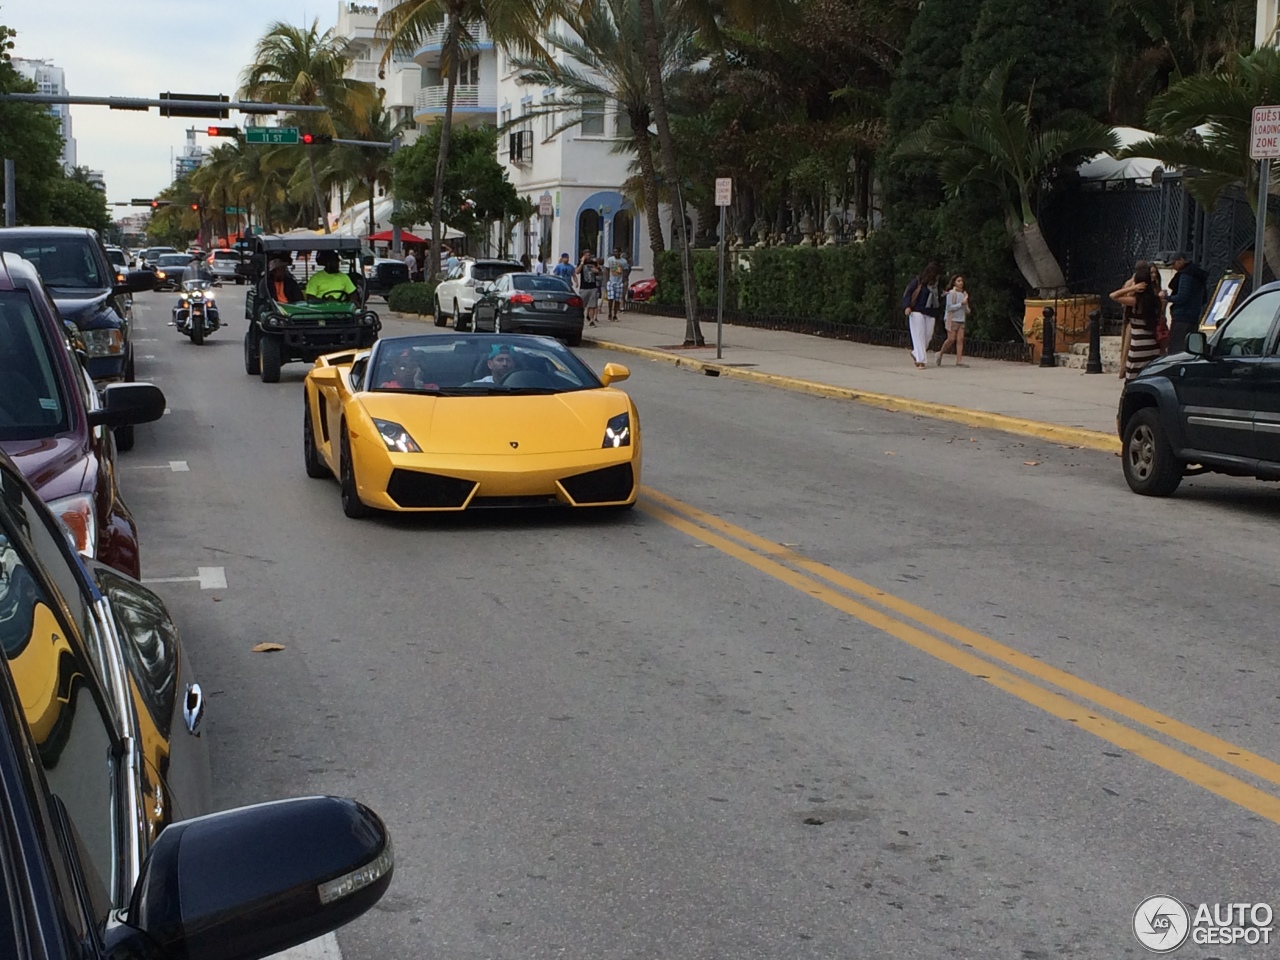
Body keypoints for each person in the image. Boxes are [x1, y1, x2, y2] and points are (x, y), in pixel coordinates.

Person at [1111, 260, 1162, 380]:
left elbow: (1113, 296)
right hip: (1153, 343)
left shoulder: (1136, 301)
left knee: (1133, 377)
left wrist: (1133, 288)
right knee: (1149, 376)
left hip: (1138, 344)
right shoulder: (1156, 300)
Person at [902, 262, 942, 369]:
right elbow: (908, 293)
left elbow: (938, 298)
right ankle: (921, 361)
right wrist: (907, 306)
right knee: (919, 335)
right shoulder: (917, 281)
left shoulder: (936, 285)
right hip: (916, 311)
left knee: (927, 336)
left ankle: (916, 353)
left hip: (930, 312)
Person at [1167, 252, 1209, 354]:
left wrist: (1167, 297)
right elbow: (1204, 298)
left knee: (1177, 349)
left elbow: (1182, 297)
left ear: (1181, 260)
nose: (1173, 267)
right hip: (1193, 316)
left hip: (1182, 317)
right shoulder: (1197, 274)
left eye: (1174, 264)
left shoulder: (1186, 275)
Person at [936, 274, 970, 366]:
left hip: (961, 319)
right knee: (951, 339)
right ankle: (940, 353)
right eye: (958, 281)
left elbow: (965, 307)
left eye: (962, 281)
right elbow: (949, 307)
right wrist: (961, 304)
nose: (961, 283)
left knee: (960, 339)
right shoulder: (951, 293)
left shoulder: (964, 294)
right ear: (954, 282)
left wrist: (967, 307)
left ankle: (959, 360)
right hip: (952, 319)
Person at [576, 250, 602, 326]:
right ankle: (581, 318)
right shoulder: (581, 263)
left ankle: (591, 320)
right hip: (584, 288)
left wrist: (596, 271)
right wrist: (582, 263)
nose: (588, 257)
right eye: (586, 255)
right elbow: (577, 271)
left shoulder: (594, 263)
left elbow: (600, 272)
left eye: (589, 255)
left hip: (593, 287)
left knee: (592, 305)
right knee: (582, 305)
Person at [604, 246, 629, 321]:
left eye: (616, 252)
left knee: (617, 299)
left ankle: (615, 314)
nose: (615, 253)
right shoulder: (610, 259)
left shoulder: (623, 261)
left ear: (620, 252)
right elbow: (607, 269)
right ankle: (609, 313)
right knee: (610, 298)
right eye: (614, 251)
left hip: (619, 282)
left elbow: (625, 271)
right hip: (611, 281)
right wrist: (607, 280)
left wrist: (624, 280)